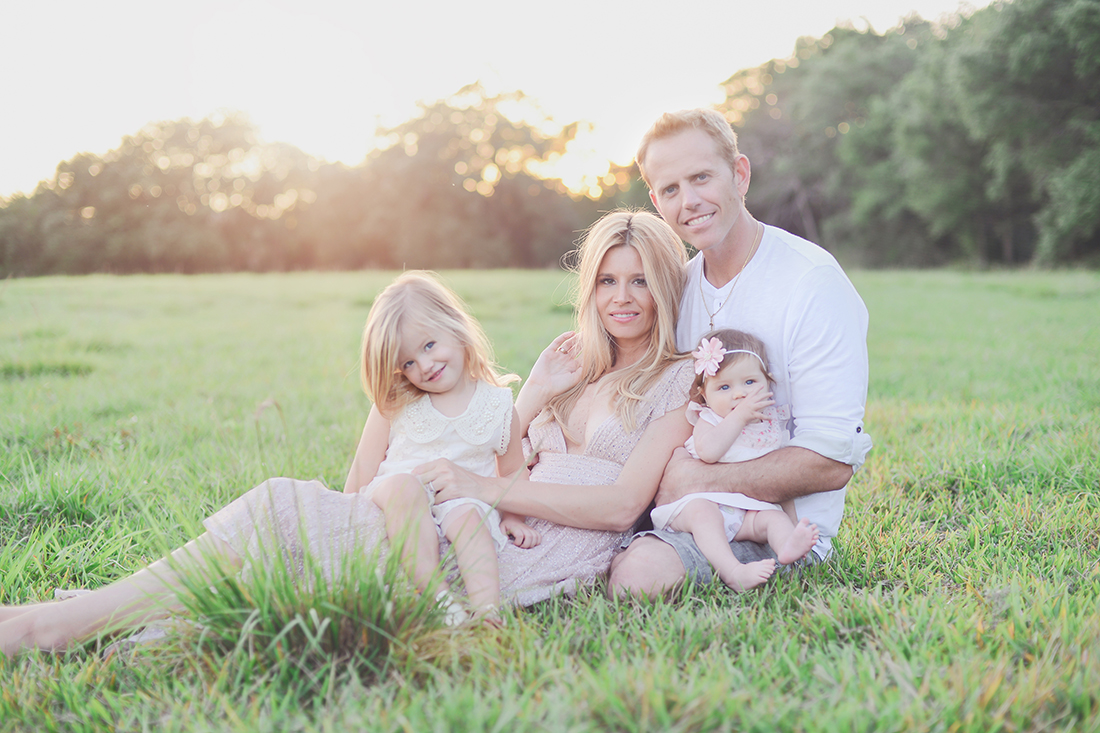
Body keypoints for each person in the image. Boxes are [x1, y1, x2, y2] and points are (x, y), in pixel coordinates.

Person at [0, 209, 693, 655]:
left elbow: (620, 505)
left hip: (516, 551)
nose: (622, 298)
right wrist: (534, 392)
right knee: (286, 522)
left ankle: (61, 623)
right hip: (461, 516)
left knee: (284, 516)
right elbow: (491, 444)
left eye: (638, 281)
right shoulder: (567, 364)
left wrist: (485, 487)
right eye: (607, 280)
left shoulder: (676, 381)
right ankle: (75, 617)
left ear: (664, 284)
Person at [610, 108, 873, 597]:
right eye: (670, 190)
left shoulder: (811, 283)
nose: (689, 202)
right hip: (679, 509)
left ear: (740, 174)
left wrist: (693, 480)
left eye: (702, 178)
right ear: (655, 201)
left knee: (633, 577)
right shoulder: (677, 289)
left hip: (774, 529)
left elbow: (831, 462)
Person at [342, 271, 536, 624]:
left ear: (455, 327)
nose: (425, 366)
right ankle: (439, 599)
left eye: (429, 346)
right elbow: (362, 470)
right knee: (406, 487)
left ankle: (488, 614)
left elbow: (512, 470)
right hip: (396, 494)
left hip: (458, 498)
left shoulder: (497, 406)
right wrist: (344, 515)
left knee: (471, 519)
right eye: (408, 363)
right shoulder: (396, 401)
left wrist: (513, 516)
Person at [649, 328, 820, 592]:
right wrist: (738, 417)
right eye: (724, 387)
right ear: (704, 395)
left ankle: (788, 547)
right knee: (703, 514)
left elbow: (781, 485)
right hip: (699, 506)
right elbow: (709, 452)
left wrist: (792, 522)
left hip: (745, 515)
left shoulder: (771, 427)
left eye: (750, 382)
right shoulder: (708, 418)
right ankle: (732, 571)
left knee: (772, 520)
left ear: (769, 383)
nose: (739, 394)